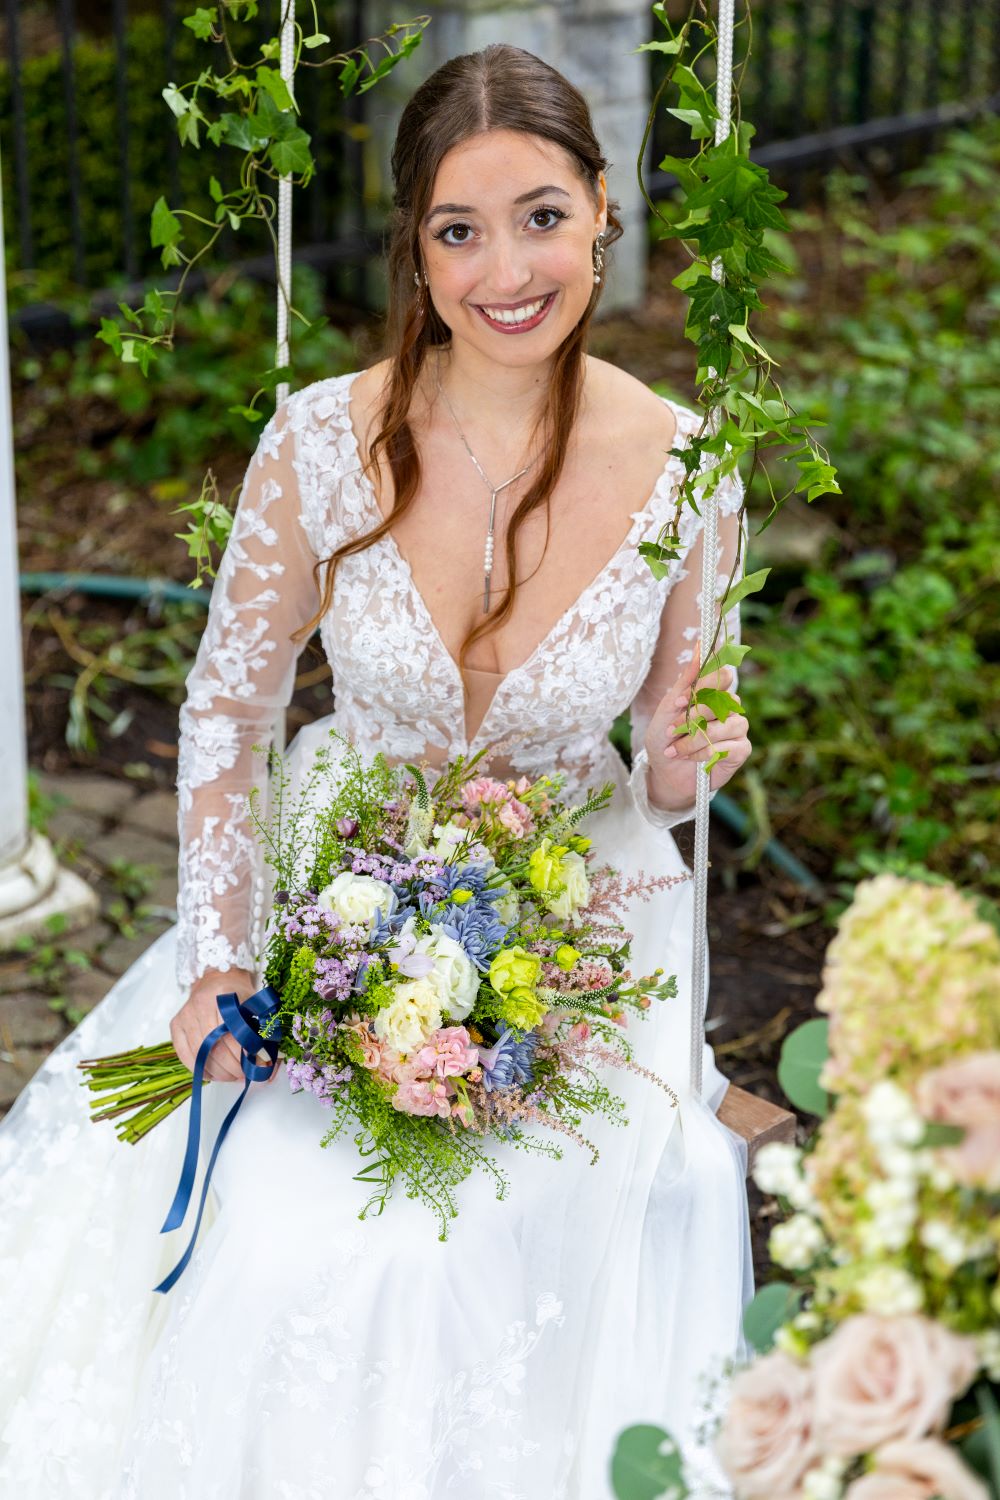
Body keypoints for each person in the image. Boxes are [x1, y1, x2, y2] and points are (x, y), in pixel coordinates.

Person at [0, 42, 755, 1500]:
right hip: (331, 890)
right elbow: (228, 712)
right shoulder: (323, 442)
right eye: (457, 231)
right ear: (415, 244)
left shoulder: (689, 463)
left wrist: (679, 770)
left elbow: (670, 766)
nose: (504, 270)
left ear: (604, 207)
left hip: (581, 920)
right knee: (284, 1238)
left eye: (541, 215)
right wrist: (222, 958)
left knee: (445, 1257)